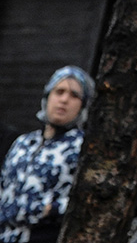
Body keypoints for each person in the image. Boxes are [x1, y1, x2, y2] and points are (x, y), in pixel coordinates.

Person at [0, 65, 95, 243]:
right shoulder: (23, 143)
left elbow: (87, 200)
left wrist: (49, 209)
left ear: (83, 105)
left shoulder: (83, 148)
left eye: (74, 95)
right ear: (47, 96)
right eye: (59, 91)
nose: (64, 100)